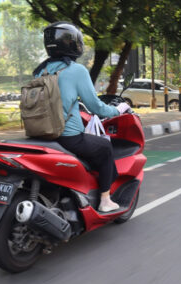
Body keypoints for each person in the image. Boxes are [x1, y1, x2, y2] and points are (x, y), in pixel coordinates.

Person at [33, 22, 130, 212]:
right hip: (67, 137)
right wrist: (118, 110)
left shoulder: (40, 70)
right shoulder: (76, 70)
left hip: (39, 134)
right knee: (104, 147)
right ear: (73, 44)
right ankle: (104, 199)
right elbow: (96, 107)